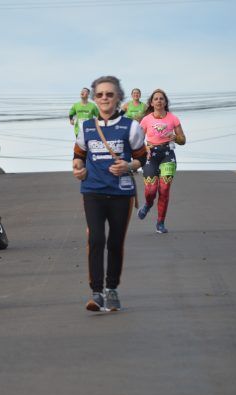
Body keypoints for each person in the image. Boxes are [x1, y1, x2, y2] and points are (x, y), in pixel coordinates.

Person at [73, 76, 147, 312]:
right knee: (96, 239)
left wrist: (128, 166)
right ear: (94, 99)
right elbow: (79, 153)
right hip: (92, 190)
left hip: (121, 193)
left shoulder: (131, 126)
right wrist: (77, 167)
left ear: (119, 98)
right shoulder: (87, 127)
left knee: (115, 242)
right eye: (100, 94)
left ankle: (112, 289)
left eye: (110, 94)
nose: (104, 98)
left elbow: (142, 157)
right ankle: (96, 293)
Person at [137, 88, 186, 233]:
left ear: (165, 102)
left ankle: (160, 223)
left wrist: (175, 138)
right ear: (151, 103)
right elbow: (137, 140)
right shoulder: (146, 119)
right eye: (156, 99)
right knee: (151, 190)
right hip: (150, 155)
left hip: (167, 155)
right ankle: (147, 204)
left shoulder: (173, 118)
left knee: (164, 189)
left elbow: (183, 140)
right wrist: (143, 149)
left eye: (161, 98)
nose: (159, 100)